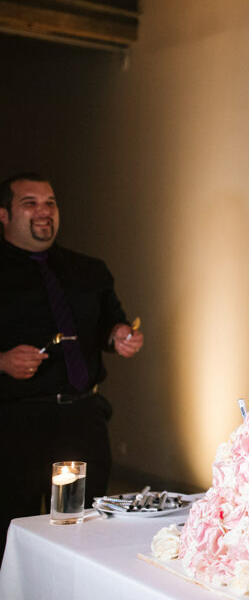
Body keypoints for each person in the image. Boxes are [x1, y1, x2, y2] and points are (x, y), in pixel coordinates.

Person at [0, 173, 143, 562]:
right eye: (30, 203)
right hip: (16, 420)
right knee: (14, 523)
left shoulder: (89, 270)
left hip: (83, 418)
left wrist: (119, 336)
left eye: (50, 203)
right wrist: (2, 361)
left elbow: (111, 324)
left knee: (87, 525)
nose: (43, 211)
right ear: (4, 214)